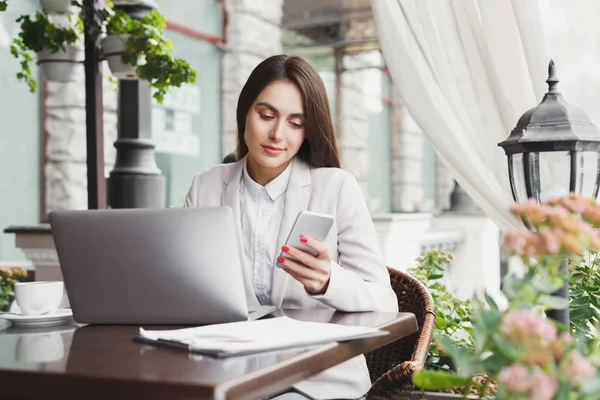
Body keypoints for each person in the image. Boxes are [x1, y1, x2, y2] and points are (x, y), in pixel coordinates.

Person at [184, 55, 398, 400]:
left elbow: (384, 299)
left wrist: (328, 281)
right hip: (227, 371)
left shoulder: (336, 187)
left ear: (308, 131)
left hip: (314, 379)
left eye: (295, 123)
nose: (276, 134)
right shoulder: (206, 186)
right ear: (245, 112)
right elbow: (184, 286)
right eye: (266, 116)